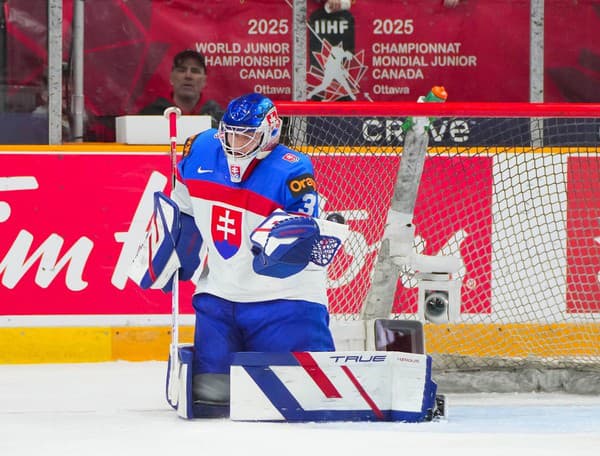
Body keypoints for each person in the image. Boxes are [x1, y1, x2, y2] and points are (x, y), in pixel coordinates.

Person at [134, 93, 341, 418]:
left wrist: (290, 237)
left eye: (246, 135)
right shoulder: (200, 149)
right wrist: (175, 245)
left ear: (270, 133)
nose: (235, 142)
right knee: (211, 399)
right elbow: (183, 207)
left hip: (285, 301)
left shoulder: (293, 169)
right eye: (230, 133)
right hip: (220, 298)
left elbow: (304, 229)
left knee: (302, 399)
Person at [138, 49, 223, 127]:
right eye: (182, 70)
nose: (188, 76)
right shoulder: (149, 115)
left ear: (204, 80)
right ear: (171, 77)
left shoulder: (219, 118)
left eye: (195, 71)